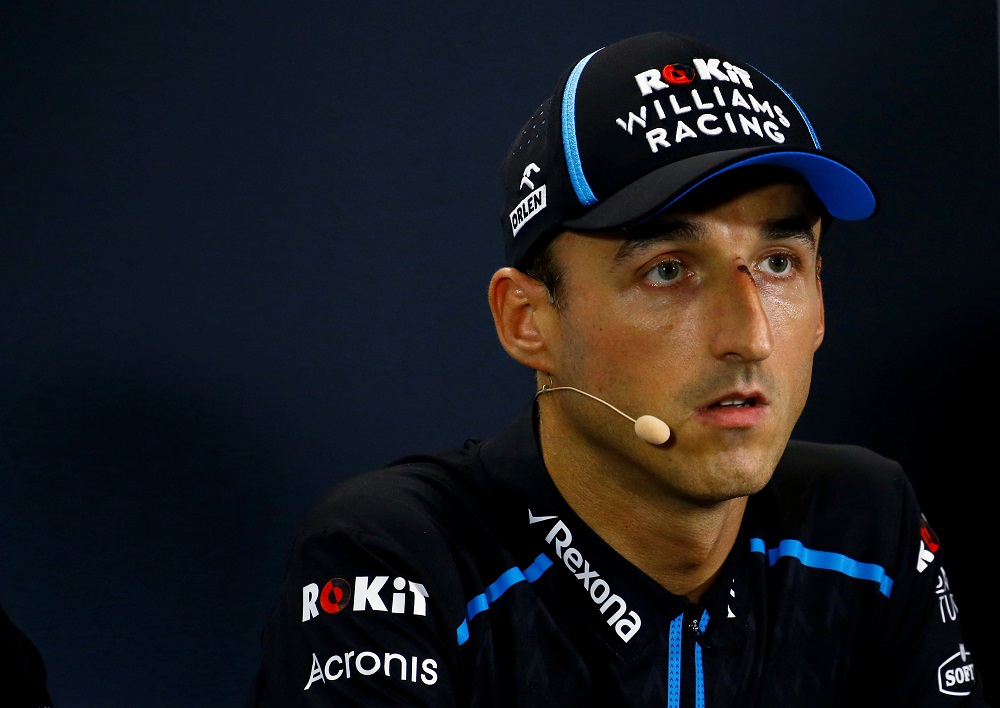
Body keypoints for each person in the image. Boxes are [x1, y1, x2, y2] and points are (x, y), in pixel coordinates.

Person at [246, 31, 988, 706]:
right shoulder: (401, 557)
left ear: (820, 301)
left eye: (777, 263)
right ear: (527, 321)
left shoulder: (863, 527)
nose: (750, 335)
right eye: (668, 270)